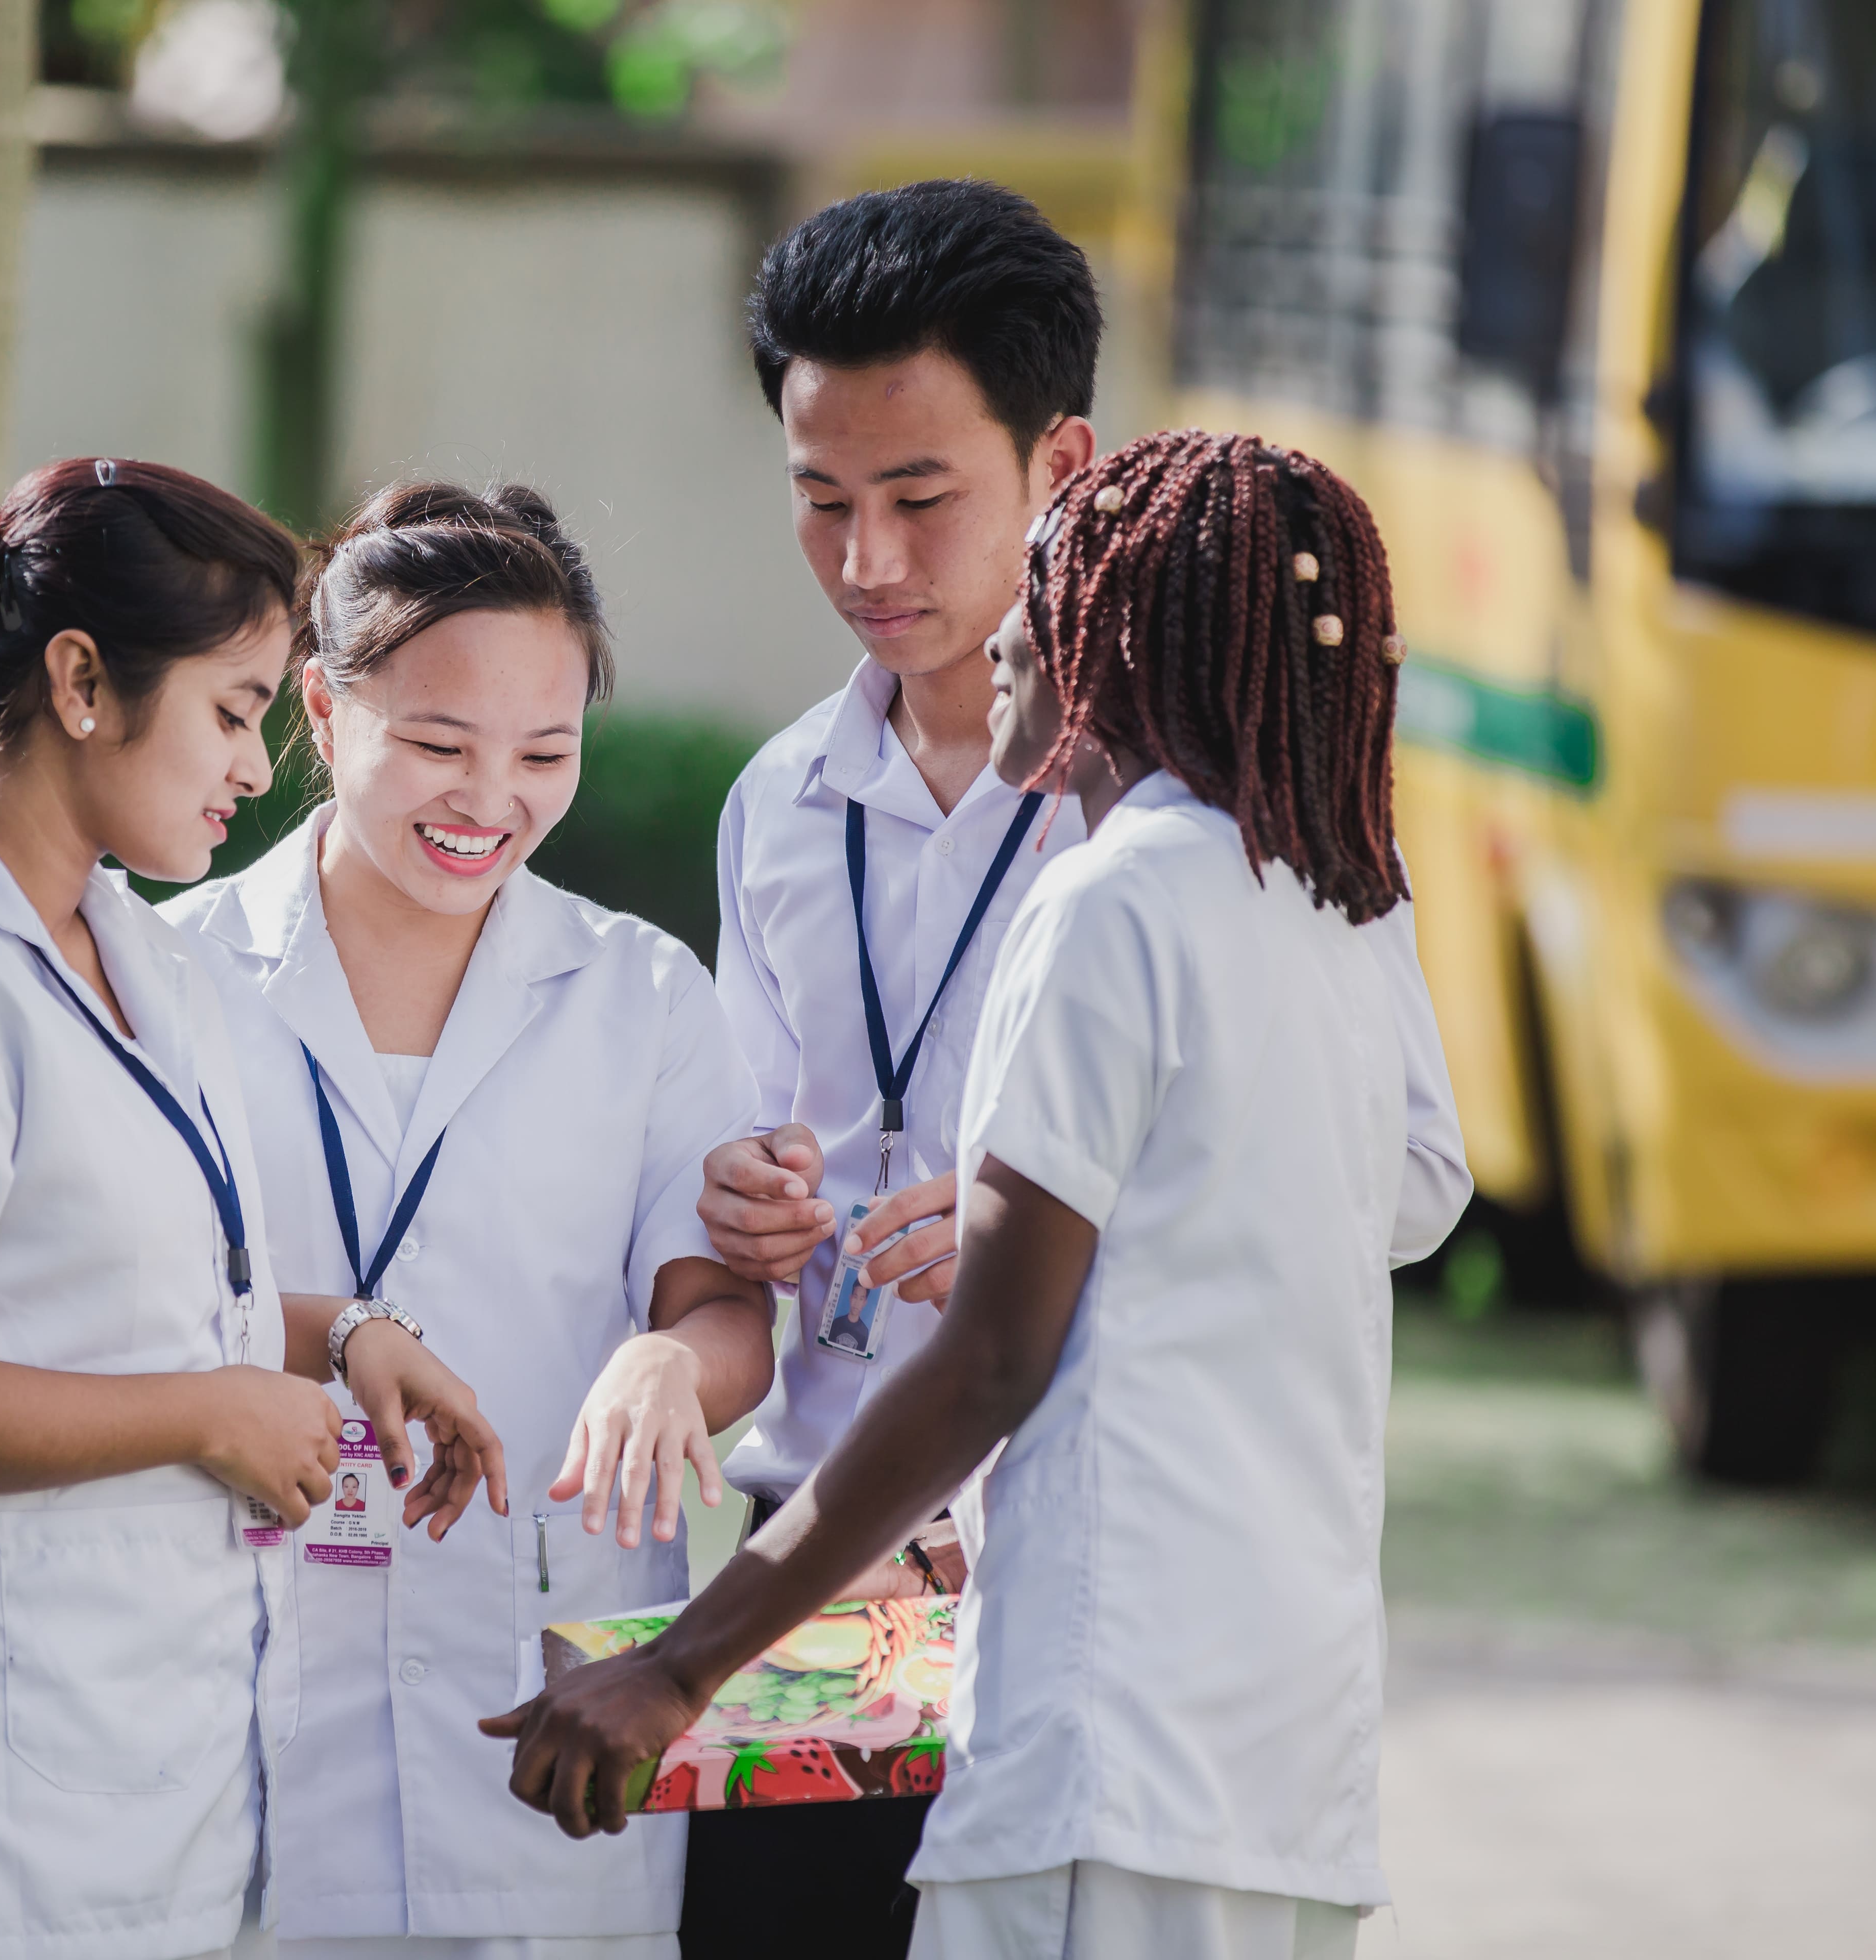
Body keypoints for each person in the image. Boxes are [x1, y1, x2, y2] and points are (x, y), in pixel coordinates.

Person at [484, 430, 1473, 1960]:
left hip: (1101, 1732)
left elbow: (990, 1365)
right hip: (1280, 1742)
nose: (1009, 625)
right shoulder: (1322, 892)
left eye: (1050, 583)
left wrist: (681, 1668)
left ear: (1113, 639)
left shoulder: (1109, 896)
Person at [0, 458, 480, 1960]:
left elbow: (113, 1299)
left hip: (143, 1796)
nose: (258, 771)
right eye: (230, 711)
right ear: (82, 681)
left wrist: (341, 1338)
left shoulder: (140, 957)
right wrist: (210, 1413)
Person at [164, 482, 776, 1957]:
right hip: (239, 1714)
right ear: (321, 705)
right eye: (437, 744)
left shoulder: (639, 998)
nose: (489, 798)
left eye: (544, 752)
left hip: (546, 1714)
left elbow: (723, 1314)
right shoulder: (172, 983)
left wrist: (671, 1365)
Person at [680, 179, 1102, 1956]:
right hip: (814, 1543)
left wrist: (1053, 1224)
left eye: (922, 499)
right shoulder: (779, 803)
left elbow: (1404, 1185)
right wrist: (733, 1199)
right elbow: (730, 1160)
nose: (868, 561)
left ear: (1061, 464)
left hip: (1077, 1559)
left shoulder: (1183, 804)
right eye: (823, 502)